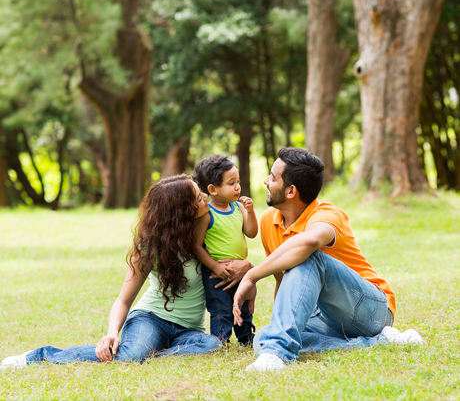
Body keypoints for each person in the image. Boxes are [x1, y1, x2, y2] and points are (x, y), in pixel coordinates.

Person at [1, 175, 221, 370]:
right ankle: (39, 357)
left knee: (211, 345)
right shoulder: (151, 246)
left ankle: (150, 355)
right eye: (199, 198)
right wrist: (112, 332)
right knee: (130, 357)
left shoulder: (210, 233)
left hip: (189, 330)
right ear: (181, 211)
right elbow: (124, 300)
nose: (205, 198)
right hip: (152, 320)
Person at [233, 147, 423, 372]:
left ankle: (277, 355)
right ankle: (382, 342)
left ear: (291, 191)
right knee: (265, 336)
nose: (266, 181)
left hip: (369, 309)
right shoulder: (268, 221)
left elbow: (310, 242)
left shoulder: (328, 214)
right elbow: (281, 280)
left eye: (273, 178)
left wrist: (252, 275)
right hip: (323, 315)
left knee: (308, 257)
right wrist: (280, 324)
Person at [192, 155, 258, 345]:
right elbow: (196, 246)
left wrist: (251, 212)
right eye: (231, 183)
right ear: (213, 189)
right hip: (216, 272)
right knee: (221, 307)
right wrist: (214, 266)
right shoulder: (207, 214)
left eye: (238, 182)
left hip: (241, 270)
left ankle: (246, 337)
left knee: (243, 304)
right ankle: (221, 340)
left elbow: (251, 233)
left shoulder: (238, 208)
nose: (238, 187)